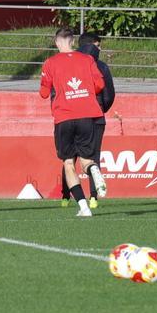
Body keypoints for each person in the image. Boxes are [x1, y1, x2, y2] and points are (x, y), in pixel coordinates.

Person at [39, 27, 106, 217]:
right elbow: (100, 85)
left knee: (68, 163)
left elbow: (44, 93)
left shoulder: (50, 62)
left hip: (65, 117)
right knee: (87, 160)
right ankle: (94, 170)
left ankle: (84, 207)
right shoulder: (87, 59)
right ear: (73, 42)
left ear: (57, 42)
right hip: (87, 115)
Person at [59, 32, 114, 209]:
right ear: (91, 45)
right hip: (95, 117)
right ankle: (93, 198)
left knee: (69, 159)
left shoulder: (68, 62)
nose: (100, 49)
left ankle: (67, 196)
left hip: (69, 114)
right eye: (99, 45)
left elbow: (56, 90)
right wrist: (100, 109)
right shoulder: (101, 66)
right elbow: (108, 93)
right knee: (91, 158)